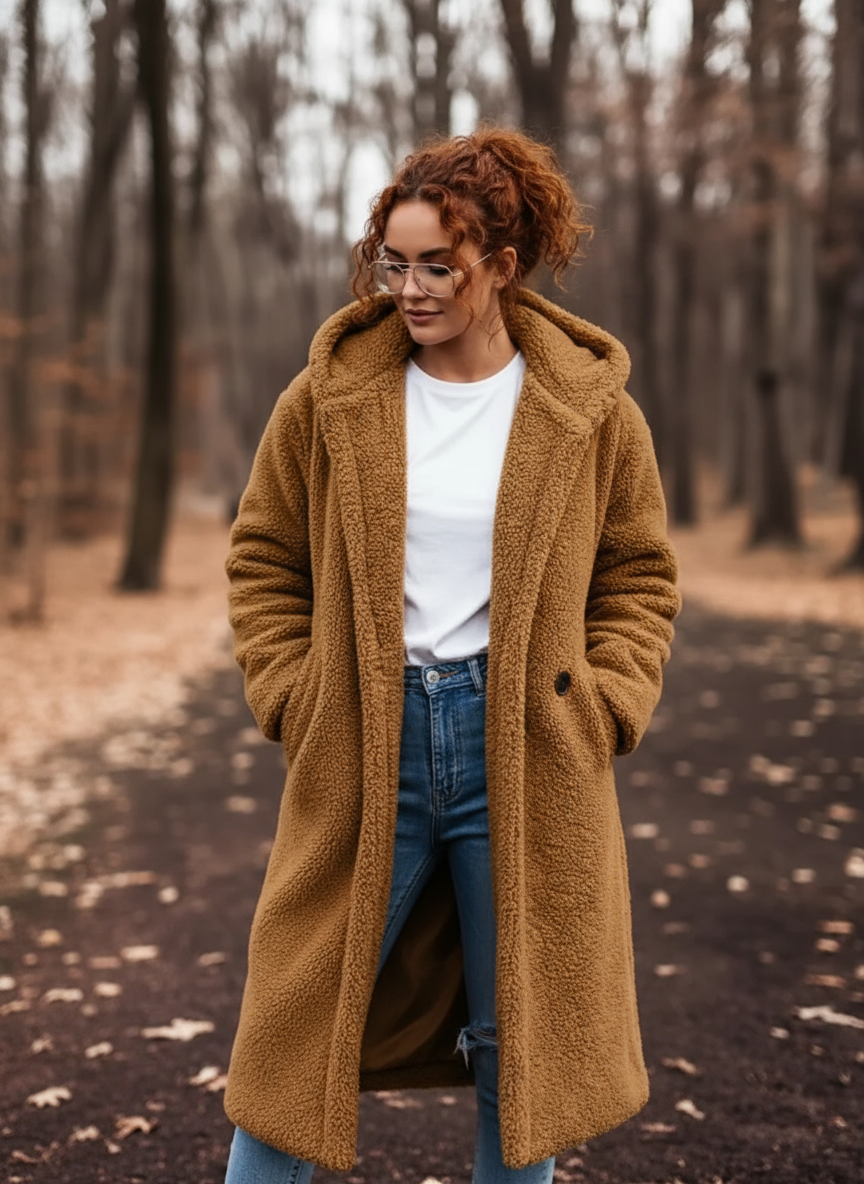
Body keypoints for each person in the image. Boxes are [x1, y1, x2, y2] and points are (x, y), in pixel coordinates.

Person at [222, 127, 681, 1184]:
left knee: (519, 1055)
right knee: (289, 1041)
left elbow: (639, 576)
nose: (411, 290)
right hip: (364, 739)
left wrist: (603, 702)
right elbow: (262, 554)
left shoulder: (588, 411)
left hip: (523, 743)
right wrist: (298, 693)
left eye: (439, 265)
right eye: (395, 263)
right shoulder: (331, 397)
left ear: (503, 267)